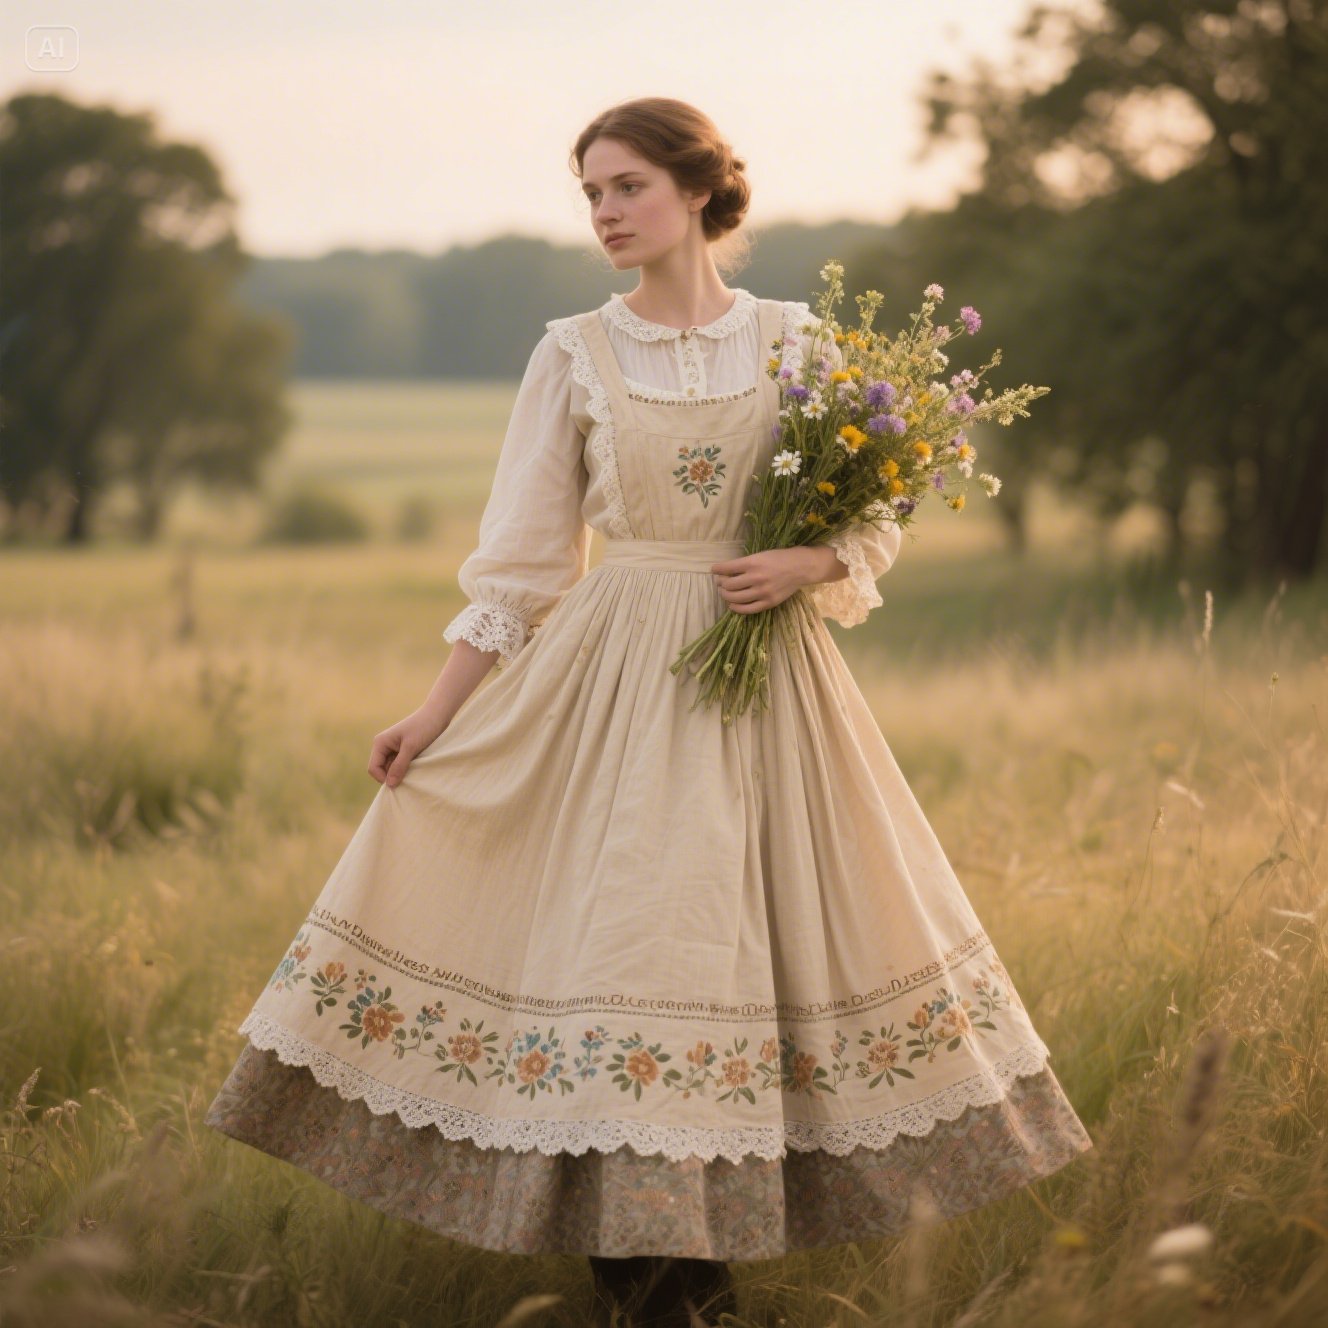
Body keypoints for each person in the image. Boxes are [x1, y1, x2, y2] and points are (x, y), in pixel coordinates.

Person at [204, 97, 1094, 1327]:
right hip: (606, 693)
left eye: (624, 187)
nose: (605, 214)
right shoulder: (572, 350)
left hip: (766, 687)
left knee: (752, 963)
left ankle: (703, 1280)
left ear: (694, 189)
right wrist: (434, 711)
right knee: (625, 964)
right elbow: (520, 564)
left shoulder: (796, 339)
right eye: (589, 195)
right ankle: (655, 1286)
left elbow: (873, 510)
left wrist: (808, 562)